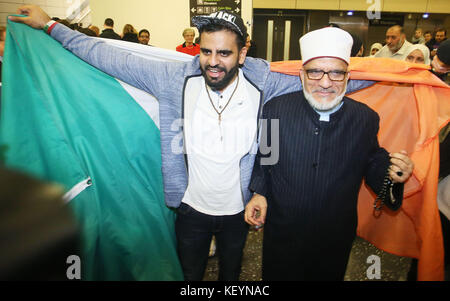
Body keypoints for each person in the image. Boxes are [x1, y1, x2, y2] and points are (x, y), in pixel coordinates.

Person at [10, 6, 373, 281]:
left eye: (225, 53)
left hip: (239, 211)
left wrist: (407, 76)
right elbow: (106, 56)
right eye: (206, 51)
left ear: (243, 53)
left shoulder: (265, 81)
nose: (213, 63)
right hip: (189, 208)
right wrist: (51, 25)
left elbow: (330, 81)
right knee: (190, 275)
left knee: (232, 275)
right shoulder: (172, 78)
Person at [244, 27, 414, 281]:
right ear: (302, 75)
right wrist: (260, 193)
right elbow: (266, 158)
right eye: (315, 71)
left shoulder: (365, 118)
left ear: (347, 76)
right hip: (283, 232)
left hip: (335, 236)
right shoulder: (275, 109)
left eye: (336, 72)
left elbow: (373, 164)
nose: (325, 82)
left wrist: (394, 174)